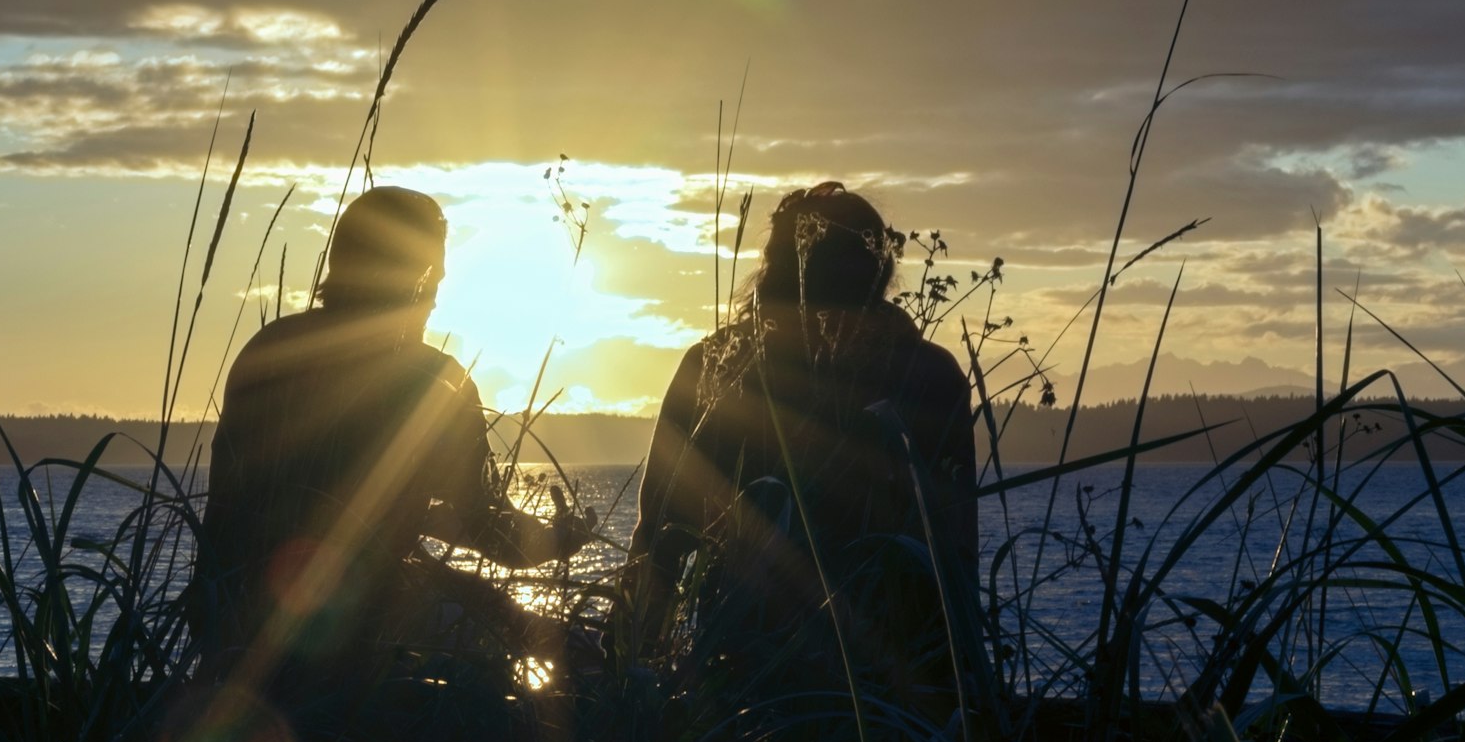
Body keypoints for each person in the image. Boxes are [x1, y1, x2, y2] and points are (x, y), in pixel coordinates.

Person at [190, 186, 594, 697]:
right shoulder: (436, 381)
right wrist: (560, 540)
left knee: (490, 611)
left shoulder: (266, 350)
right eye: (434, 277)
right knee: (552, 658)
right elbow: (484, 526)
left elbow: (267, 519)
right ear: (415, 276)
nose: (436, 295)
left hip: (226, 622)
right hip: (356, 642)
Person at [623, 183, 978, 691]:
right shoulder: (929, 377)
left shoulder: (714, 367)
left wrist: (637, 675)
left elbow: (658, 539)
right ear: (879, 272)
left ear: (772, 268)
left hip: (739, 680)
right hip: (893, 691)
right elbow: (955, 564)